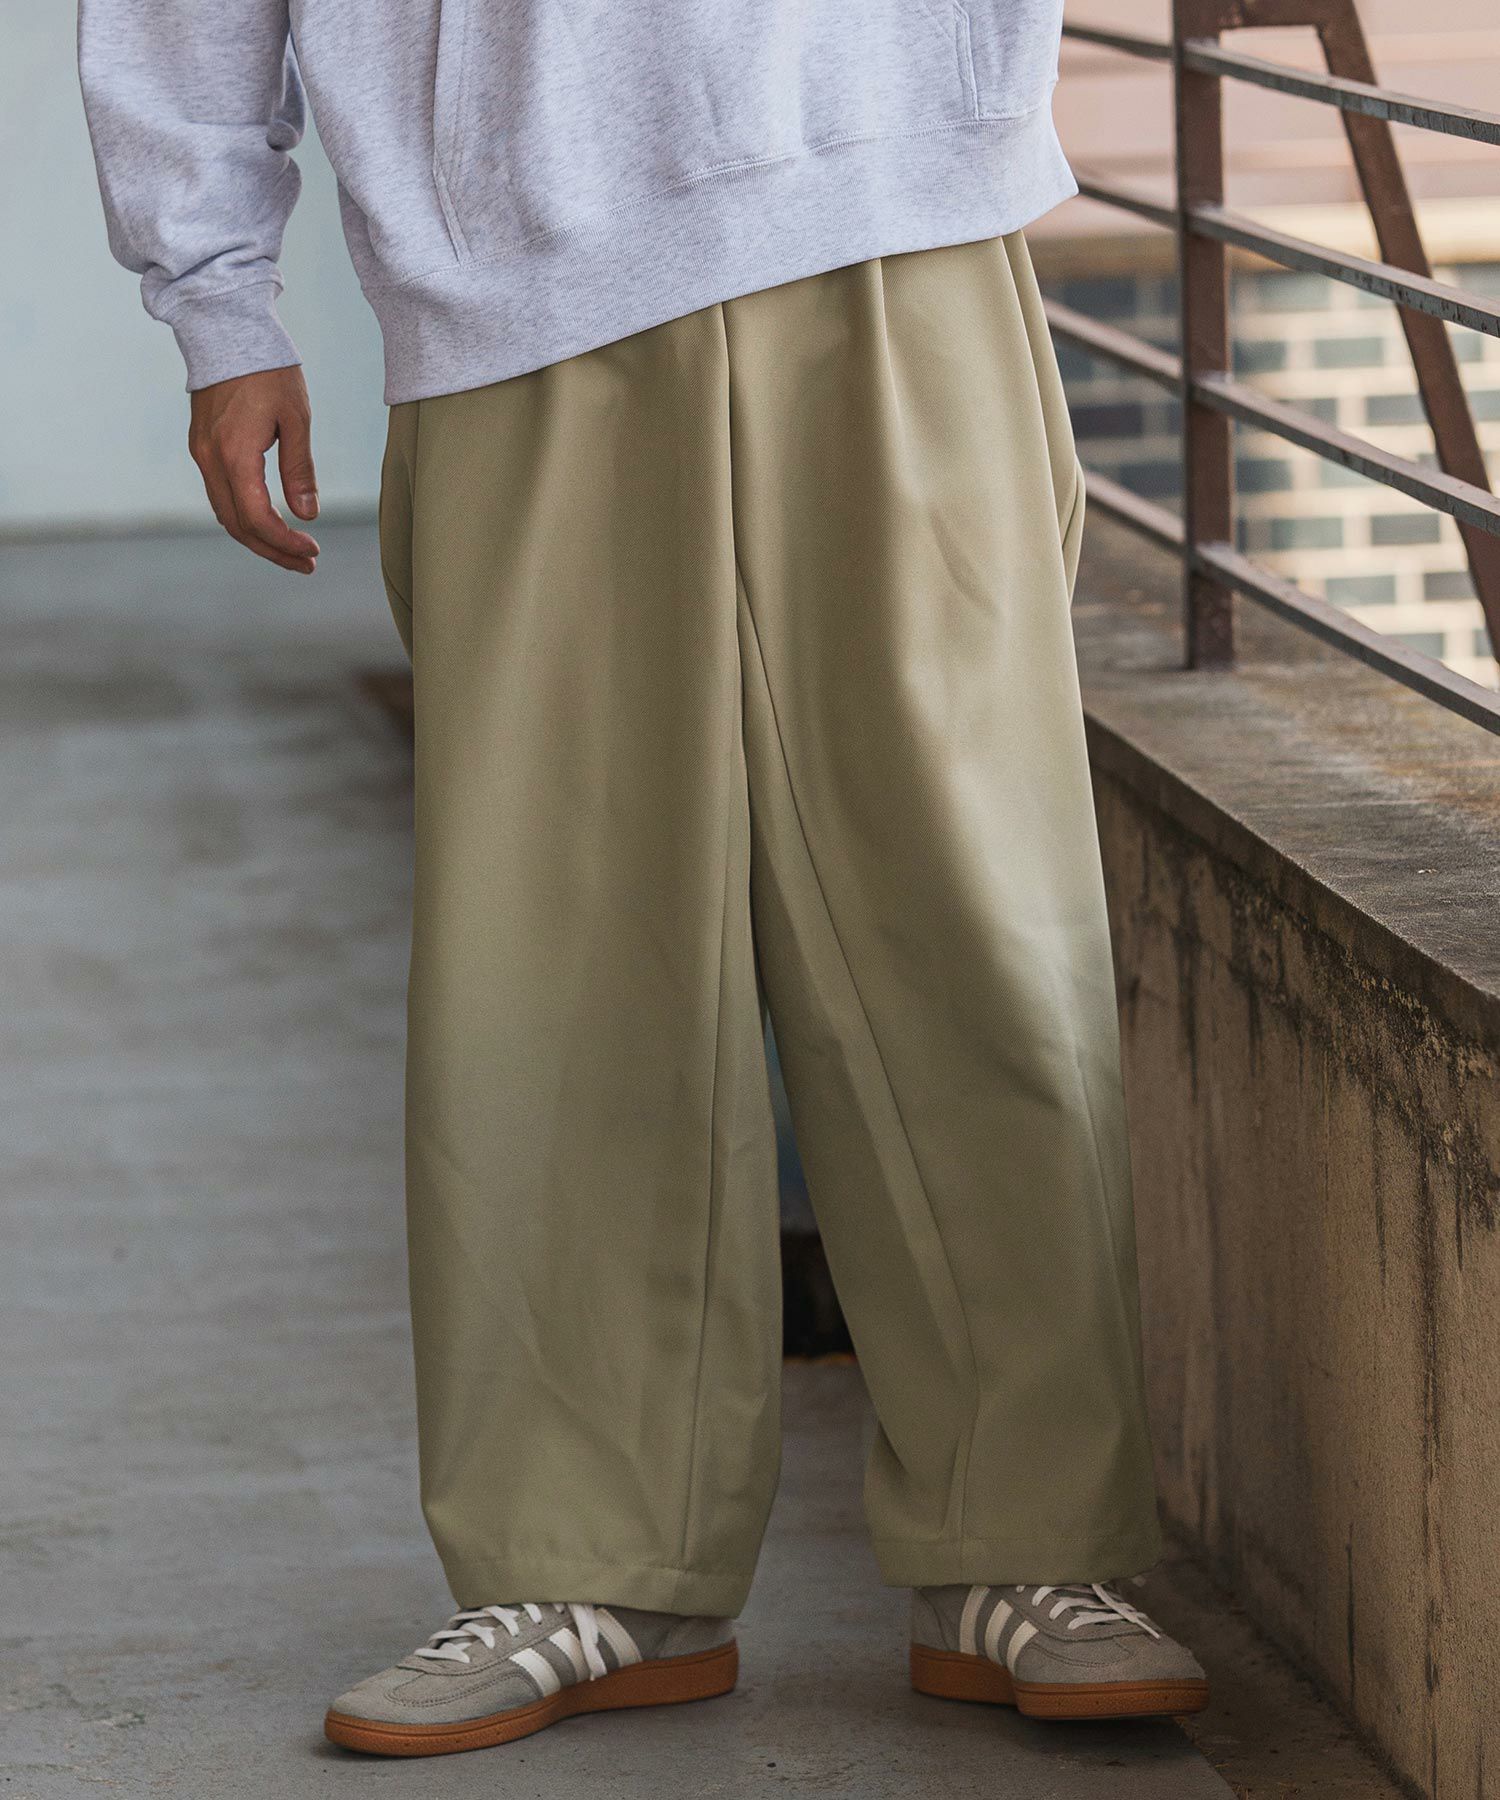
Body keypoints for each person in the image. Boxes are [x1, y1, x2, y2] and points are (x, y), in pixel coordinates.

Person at [79, 0, 1209, 1758]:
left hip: (896, 202)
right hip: (514, 266)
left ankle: (1030, 1547)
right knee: (556, 955)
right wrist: (217, 298)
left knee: (974, 913)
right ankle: (588, 1566)